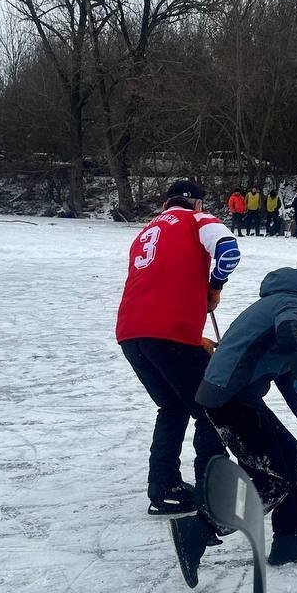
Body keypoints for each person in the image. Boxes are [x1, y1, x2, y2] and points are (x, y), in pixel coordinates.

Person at [169, 254, 297, 588]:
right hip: (228, 398)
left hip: (236, 396)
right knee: (273, 479)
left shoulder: (280, 300)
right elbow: (292, 339)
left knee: (290, 453)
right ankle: (199, 528)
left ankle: (289, 538)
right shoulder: (292, 304)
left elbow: (286, 372)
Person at [116, 179, 240, 515]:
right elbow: (229, 251)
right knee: (212, 409)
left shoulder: (146, 231)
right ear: (197, 203)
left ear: (165, 203)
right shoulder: (196, 219)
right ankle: (214, 496)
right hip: (169, 334)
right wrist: (214, 286)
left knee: (172, 406)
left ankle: (164, 487)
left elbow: (159, 281)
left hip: (131, 333)